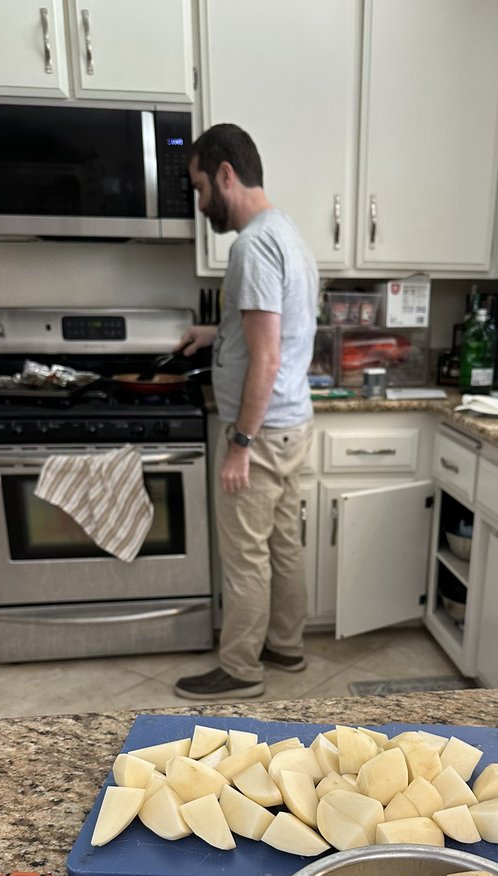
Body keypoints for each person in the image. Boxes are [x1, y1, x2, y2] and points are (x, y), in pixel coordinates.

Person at [173, 124, 318, 700]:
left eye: (201, 185)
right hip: (291, 424)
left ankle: (240, 669)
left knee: (246, 555)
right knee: (283, 542)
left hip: (261, 432)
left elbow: (266, 355)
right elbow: (268, 330)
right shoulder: (287, 234)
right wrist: (215, 332)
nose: (200, 199)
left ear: (226, 175)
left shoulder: (252, 245)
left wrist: (240, 443)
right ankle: (286, 645)